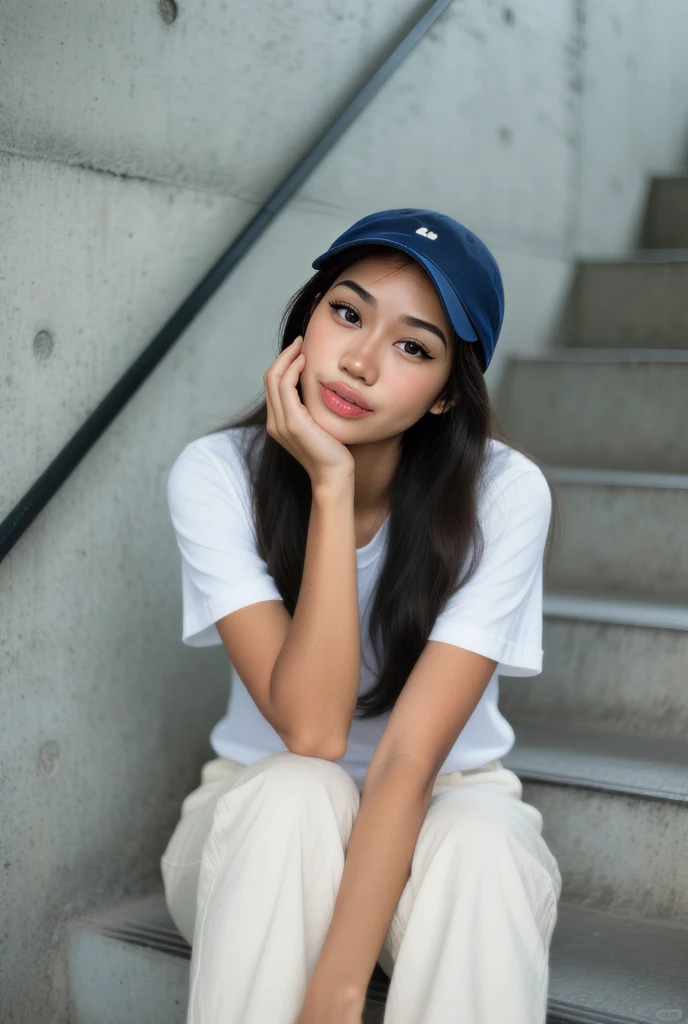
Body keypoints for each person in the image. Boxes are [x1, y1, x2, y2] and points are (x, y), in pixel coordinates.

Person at [160, 208, 563, 1024]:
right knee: (296, 793)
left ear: (450, 393)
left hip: (444, 804)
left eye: (414, 346)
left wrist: (337, 992)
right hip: (260, 817)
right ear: (306, 318)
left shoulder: (506, 494)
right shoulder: (216, 475)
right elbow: (313, 732)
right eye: (346, 312)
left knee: (485, 848)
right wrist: (330, 487)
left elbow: (409, 757)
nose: (361, 361)